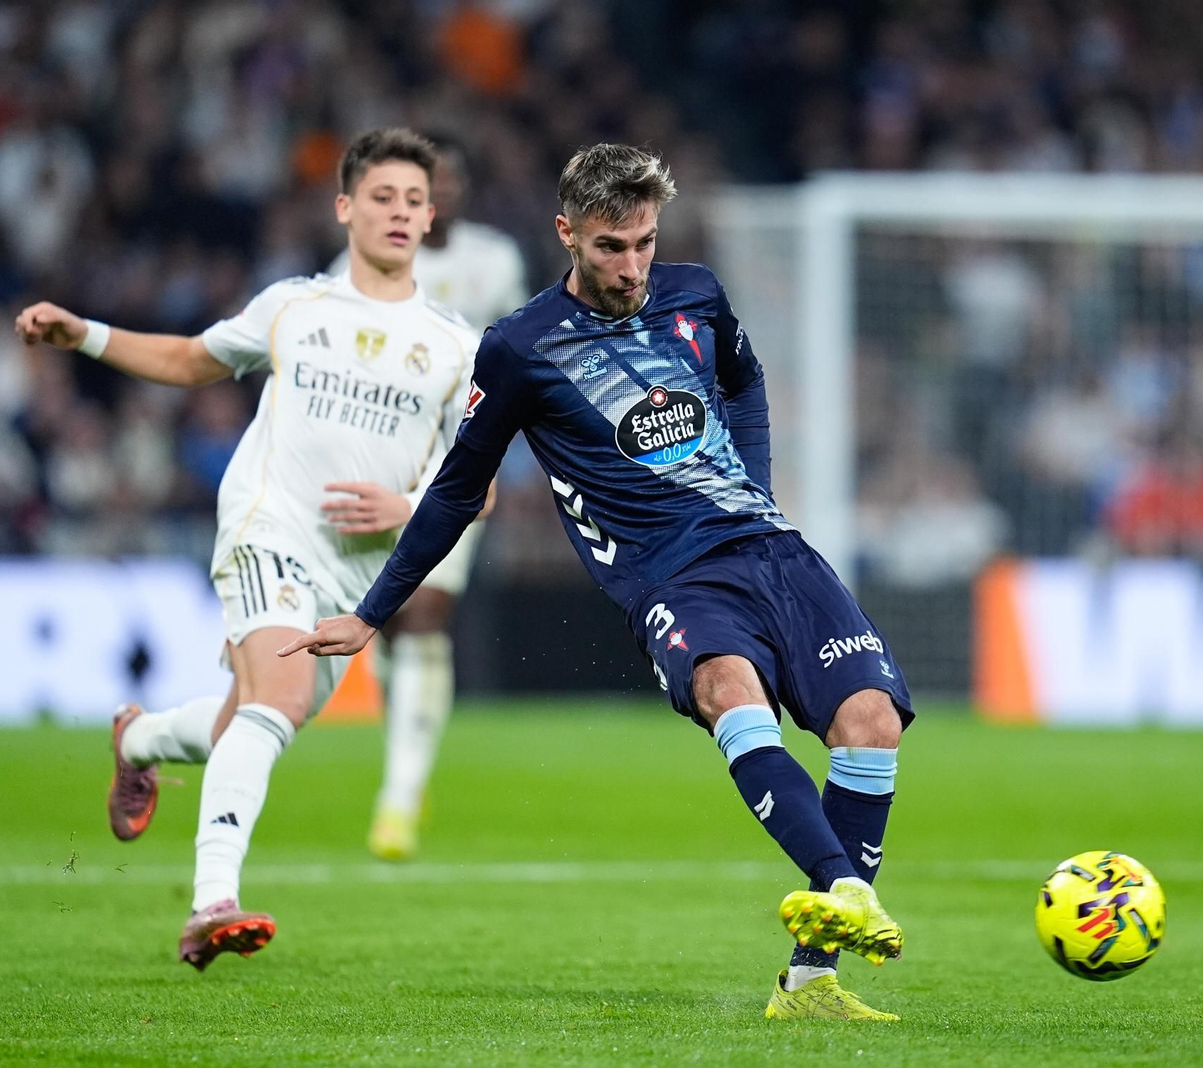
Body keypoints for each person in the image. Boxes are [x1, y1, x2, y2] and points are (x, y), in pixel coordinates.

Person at [282, 144, 914, 1022]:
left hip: (771, 547)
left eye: (644, 243)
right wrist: (371, 611)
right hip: (672, 574)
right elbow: (458, 489)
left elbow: (744, 379)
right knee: (730, 692)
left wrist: (758, 486)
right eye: (611, 247)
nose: (631, 266)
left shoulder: (697, 294)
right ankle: (843, 884)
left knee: (872, 722)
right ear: (568, 233)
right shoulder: (520, 347)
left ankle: (810, 983)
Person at [13, 128, 483, 970]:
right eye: (382, 196)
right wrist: (84, 334)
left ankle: (140, 740)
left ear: (429, 216)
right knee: (280, 693)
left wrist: (409, 505)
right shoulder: (294, 307)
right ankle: (211, 903)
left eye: (415, 199)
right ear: (344, 208)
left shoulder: (457, 346)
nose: (401, 212)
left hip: (361, 575)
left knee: (259, 714)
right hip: (269, 527)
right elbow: (190, 360)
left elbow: (476, 487)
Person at [331, 132, 527, 861]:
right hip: (374, 463)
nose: (438, 194)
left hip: (457, 464)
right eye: (425, 183)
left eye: (448, 181)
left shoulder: (495, 261)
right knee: (385, 626)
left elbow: (522, 356)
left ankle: (399, 798)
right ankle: (406, 757)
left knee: (424, 614)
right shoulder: (355, 266)